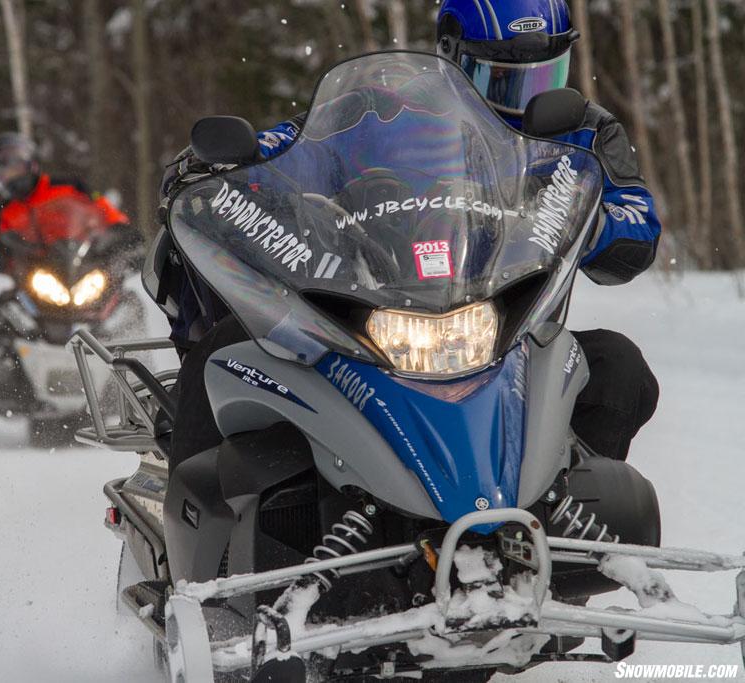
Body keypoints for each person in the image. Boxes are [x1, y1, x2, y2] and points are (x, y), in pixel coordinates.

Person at [156, 0, 660, 467]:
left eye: (546, 74)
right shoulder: (387, 110)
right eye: (503, 79)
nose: (525, 100)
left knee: (618, 369)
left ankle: (572, 506)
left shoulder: (583, 131)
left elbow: (636, 217)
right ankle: (198, 533)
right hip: (374, 321)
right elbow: (294, 144)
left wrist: (593, 223)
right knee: (229, 355)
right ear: (454, 58)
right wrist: (220, 163)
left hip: (511, 332)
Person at [0, 132, 138, 408]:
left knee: (127, 304)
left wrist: (121, 237)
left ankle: (138, 375)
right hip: (39, 276)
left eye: (16, 165)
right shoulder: (6, 211)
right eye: (4, 169)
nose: (12, 174)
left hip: (82, 266)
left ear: (30, 163)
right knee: (4, 307)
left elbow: (105, 215)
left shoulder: (67, 187)